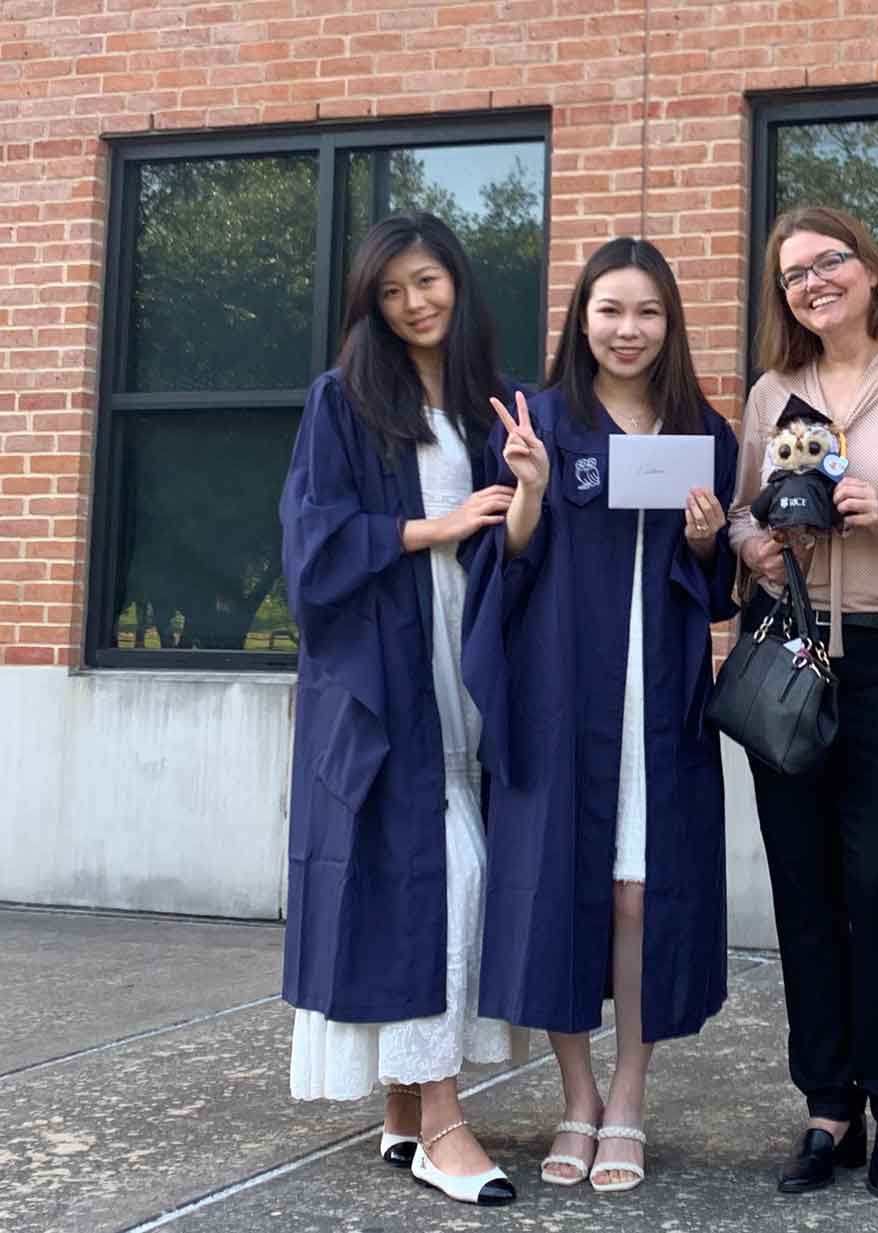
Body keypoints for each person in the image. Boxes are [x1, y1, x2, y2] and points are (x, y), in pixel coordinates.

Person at [461, 237, 739, 1194]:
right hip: (563, 689)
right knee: (560, 887)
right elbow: (507, 564)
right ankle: (575, 1095)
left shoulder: (703, 431)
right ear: (581, 318)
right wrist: (530, 491)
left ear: (671, 323)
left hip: (656, 693)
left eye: (648, 311)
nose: (629, 329)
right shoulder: (539, 421)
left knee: (637, 894)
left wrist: (706, 543)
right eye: (611, 309)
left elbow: (715, 589)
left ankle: (629, 1091)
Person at [280, 212, 528, 1206]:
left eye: (428, 281)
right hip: (383, 665)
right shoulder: (343, 400)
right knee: (435, 871)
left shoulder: (487, 402)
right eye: (392, 291)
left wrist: (524, 492)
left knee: (448, 865)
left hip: (471, 651)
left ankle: (402, 1105)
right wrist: (436, 525)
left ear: (457, 280)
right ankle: (444, 1123)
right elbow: (313, 547)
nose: (415, 303)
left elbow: (519, 535)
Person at [726, 205, 878, 1198]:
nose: (813, 282)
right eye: (793, 274)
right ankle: (828, 1104)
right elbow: (742, 508)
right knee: (804, 884)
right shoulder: (772, 391)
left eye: (828, 261)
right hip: (789, 648)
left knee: (877, 878)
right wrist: (754, 543)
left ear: (869, 269)